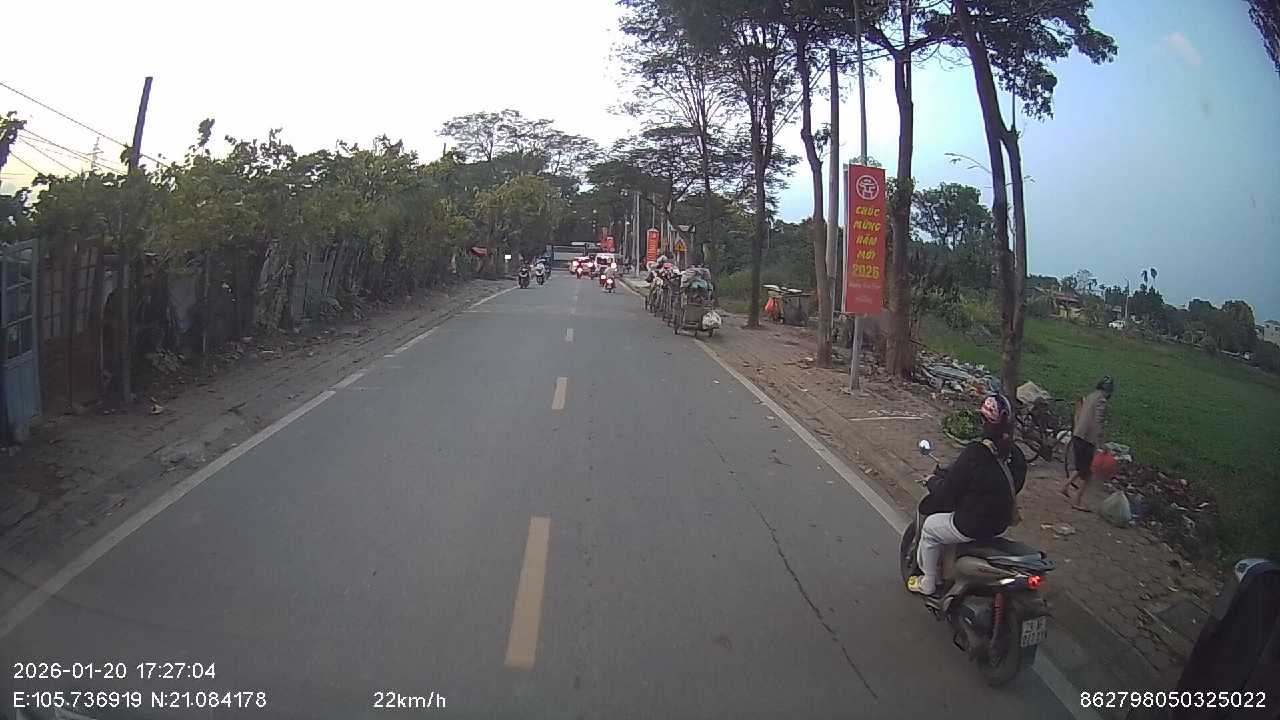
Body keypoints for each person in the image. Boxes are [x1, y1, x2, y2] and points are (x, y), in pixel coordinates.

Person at [908, 394, 1027, 597]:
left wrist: (932, 481)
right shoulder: (1016, 454)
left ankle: (928, 582)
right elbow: (1015, 485)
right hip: (1000, 522)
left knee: (929, 529)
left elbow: (949, 491)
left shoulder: (976, 453)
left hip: (971, 523)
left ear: (983, 422)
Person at [1059, 375, 1114, 511]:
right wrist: (1102, 443)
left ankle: (1065, 486)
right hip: (1087, 439)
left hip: (1078, 434)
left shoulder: (1091, 396)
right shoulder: (1101, 401)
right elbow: (1098, 422)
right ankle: (1077, 500)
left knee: (1081, 467)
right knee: (1088, 473)